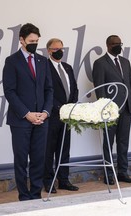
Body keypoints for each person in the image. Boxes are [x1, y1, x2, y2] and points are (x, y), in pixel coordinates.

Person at [2, 23, 53, 201]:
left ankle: (36, 194)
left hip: (41, 120)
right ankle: (24, 196)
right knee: (21, 160)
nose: (35, 44)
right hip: (21, 121)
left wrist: (45, 112)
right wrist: (27, 114)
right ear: (21, 40)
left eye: (37, 41)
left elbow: (49, 90)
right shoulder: (11, 61)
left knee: (39, 159)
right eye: (31, 41)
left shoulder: (43, 61)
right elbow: (10, 91)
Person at [92, 35, 131, 185]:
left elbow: (130, 85)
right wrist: (104, 109)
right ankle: (108, 174)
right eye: (115, 44)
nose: (118, 46)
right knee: (108, 142)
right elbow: (99, 88)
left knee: (123, 142)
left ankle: (122, 172)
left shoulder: (125, 62)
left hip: (126, 109)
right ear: (108, 45)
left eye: (120, 43)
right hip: (110, 111)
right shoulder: (100, 63)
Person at [44, 38, 79, 193]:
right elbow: (46, 91)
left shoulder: (67, 67)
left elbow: (74, 88)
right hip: (52, 115)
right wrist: (59, 107)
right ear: (48, 51)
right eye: (55, 49)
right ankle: (49, 182)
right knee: (49, 150)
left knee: (64, 149)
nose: (59, 51)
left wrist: (71, 105)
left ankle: (63, 180)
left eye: (61, 48)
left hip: (67, 115)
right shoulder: (44, 67)